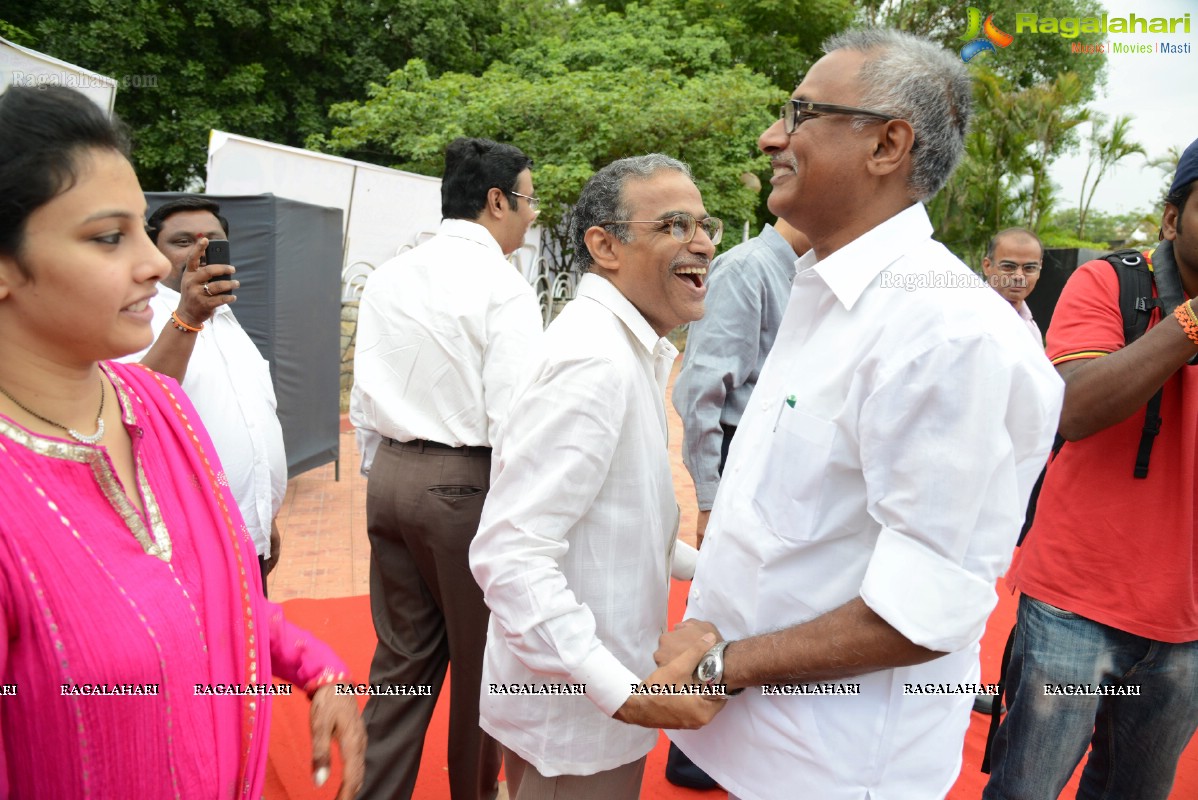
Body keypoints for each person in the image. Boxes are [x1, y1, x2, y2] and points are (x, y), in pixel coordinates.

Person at [662, 29, 1064, 800]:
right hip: (757, 750)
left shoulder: (948, 334)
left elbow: (920, 613)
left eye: (801, 112)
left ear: (887, 144)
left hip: (836, 769)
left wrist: (718, 665)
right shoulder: (828, 294)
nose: (770, 136)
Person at [0, 85, 364, 799]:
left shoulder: (160, 406)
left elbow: (222, 591)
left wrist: (317, 665)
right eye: (109, 237)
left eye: (143, 230)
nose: (157, 266)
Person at [469, 154, 725, 800]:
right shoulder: (596, 361)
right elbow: (510, 556)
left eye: (704, 224)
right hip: (577, 726)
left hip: (586, 710)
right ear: (605, 246)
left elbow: (611, 517)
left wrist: (704, 563)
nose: (701, 242)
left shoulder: (624, 348)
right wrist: (626, 696)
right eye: (673, 224)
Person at [983, 139, 1198, 800]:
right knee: (1028, 785)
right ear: (1171, 219)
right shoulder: (1109, 282)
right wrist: (1189, 324)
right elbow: (1072, 409)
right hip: (1075, 602)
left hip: (1188, 620)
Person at [350, 137, 542, 800]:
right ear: (497, 201)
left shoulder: (391, 273)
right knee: (484, 670)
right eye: (529, 197)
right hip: (464, 487)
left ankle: (374, 790)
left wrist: (379, 469)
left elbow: (361, 394)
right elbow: (517, 418)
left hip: (392, 477)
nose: (533, 212)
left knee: (401, 664)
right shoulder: (505, 288)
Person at [667, 217, 808, 789]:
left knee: (755, 609)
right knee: (722, 607)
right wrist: (708, 495)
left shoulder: (806, 272)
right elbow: (702, 389)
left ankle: (720, 748)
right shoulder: (749, 268)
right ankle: (691, 752)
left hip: (773, 472)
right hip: (733, 465)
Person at [122, 196, 288, 592]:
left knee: (251, 652)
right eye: (182, 242)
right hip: (190, 544)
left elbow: (249, 423)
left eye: (212, 241)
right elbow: (140, 406)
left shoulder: (229, 320)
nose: (199, 251)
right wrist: (189, 316)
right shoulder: (138, 322)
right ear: (154, 252)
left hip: (249, 534)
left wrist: (264, 519)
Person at [981, 226, 1045, 343]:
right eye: (1008, 267)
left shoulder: (1030, 328)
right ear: (987, 267)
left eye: (1029, 268)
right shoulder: (972, 319)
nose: (1019, 276)